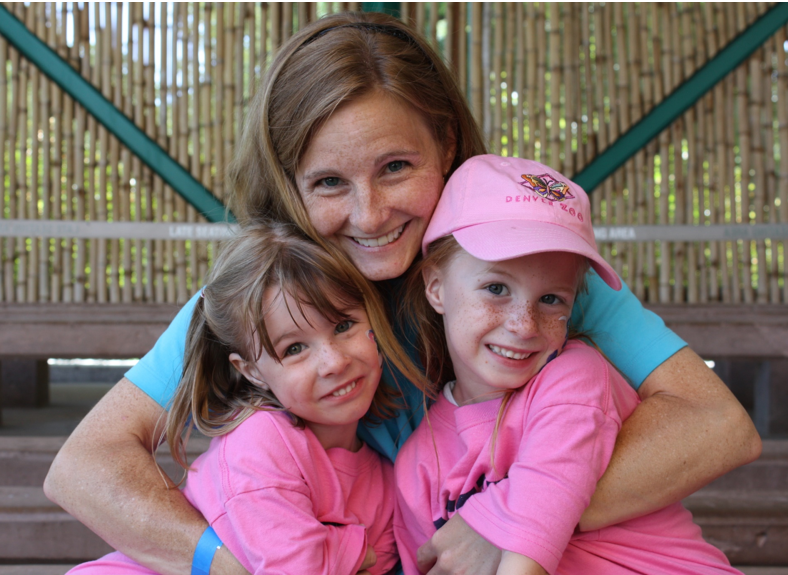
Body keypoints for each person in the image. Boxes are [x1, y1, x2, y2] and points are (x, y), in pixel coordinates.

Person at [44, 11, 760, 575]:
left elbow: (715, 423)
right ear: (289, 184)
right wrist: (239, 563)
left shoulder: (524, 275)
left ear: (446, 145)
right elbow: (85, 467)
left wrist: (508, 522)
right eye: (329, 182)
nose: (370, 213)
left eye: (395, 167)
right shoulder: (269, 292)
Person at [394, 154, 743, 575]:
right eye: (496, 288)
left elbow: (536, 529)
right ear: (435, 287)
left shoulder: (574, 378)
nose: (524, 325)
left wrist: (496, 522)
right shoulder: (415, 465)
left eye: (551, 299)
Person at [68, 222, 414, 575]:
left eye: (343, 326)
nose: (334, 362)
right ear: (252, 371)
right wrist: (353, 551)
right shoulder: (260, 439)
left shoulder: (387, 478)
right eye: (294, 348)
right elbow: (298, 569)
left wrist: (332, 553)